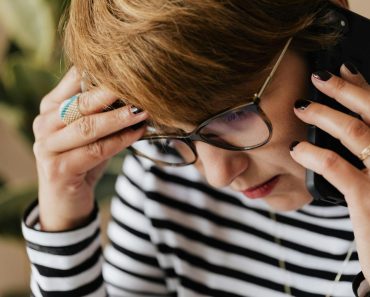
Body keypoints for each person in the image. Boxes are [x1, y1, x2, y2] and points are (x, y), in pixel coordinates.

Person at [22, 0, 370, 296]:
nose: (218, 176)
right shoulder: (160, 173)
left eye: (236, 116)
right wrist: (63, 224)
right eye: (172, 132)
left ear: (329, 35)